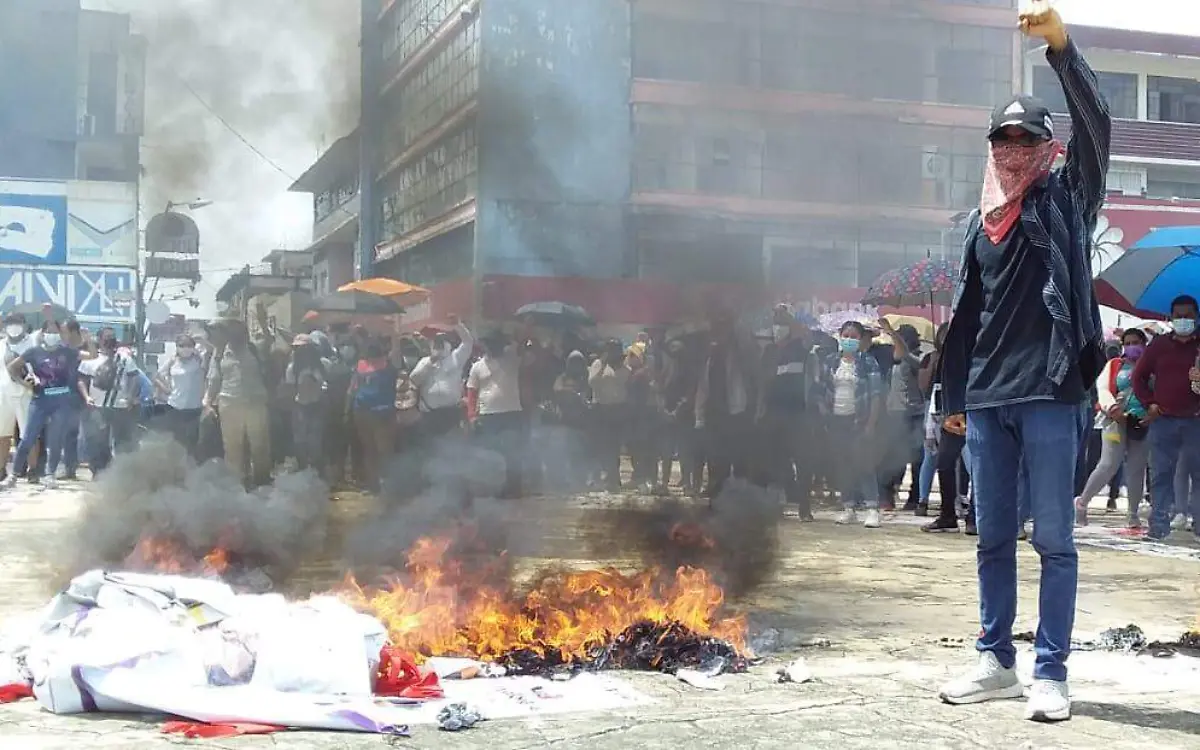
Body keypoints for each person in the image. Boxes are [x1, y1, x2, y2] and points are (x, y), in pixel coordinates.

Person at [936, 4, 1109, 723]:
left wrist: (1062, 49)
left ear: (1046, 147)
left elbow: (1097, 126)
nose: (1014, 150)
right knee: (993, 538)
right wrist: (953, 392)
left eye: (1027, 138)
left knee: (1055, 541)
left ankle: (1051, 673)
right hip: (985, 400)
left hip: (1048, 392)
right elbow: (970, 316)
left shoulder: (1065, 201)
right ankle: (994, 660)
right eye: (1003, 139)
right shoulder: (977, 222)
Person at [1131, 294, 1200, 542]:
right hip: (1163, 420)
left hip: (1195, 420)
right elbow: (1137, 378)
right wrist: (1149, 404)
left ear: (1196, 317)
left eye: (1188, 315)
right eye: (1178, 315)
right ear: (1170, 318)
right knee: (1161, 474)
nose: (1183, 320)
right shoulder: (1159, 345)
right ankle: (1158, 527)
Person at [1075, 329, 1151, 529]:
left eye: (1136, 342)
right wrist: (1113, 408)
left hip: (1142, 422)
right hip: (1115, 421)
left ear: (1144, 344)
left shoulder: (1153, 366)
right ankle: (1082, 503)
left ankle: (1133, 515)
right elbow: (1103, 389)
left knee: (1137, 469)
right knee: (1108, 464)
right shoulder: (1115, 365)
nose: (1132, 346)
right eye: (1128, 343)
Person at [815, 321, 884, 528]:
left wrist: (871, 423)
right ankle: (848, 508)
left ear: (861, 339)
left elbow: (875, 395)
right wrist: (823, 415)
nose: (849, 340)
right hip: (836, 420)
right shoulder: (829, 361)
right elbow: (820, 390)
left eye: (854, 337)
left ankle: (872, 509)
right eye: (846, 335)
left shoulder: (868, 362)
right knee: (843, 465)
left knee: (863, 463)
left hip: (859, 419)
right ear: (839, 336)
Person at [7, 320, 87, 489]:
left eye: (55, 332)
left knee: (55, 439)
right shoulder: (34, 352)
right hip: (40, 400)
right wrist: (24, 383)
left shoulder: (67, 352)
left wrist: (89, 340)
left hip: (61, 400)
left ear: (60, 334)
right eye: (49, 332)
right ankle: (13, 475)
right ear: (42, 334)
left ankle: (50, 475)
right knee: (27, 438)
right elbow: (12, 367)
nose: (52, 335)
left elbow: (92, 356)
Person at [760, 304, 817, 520]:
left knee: (803, 461)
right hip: (773, 414)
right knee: (775, 460)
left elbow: (807, 337)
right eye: (776, 324)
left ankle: (805, 506)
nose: (778, 328)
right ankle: (777, 504)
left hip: (798, 414)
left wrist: (789, 318)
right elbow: (762, 383)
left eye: (781, 324)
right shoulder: (769, 351)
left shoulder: (799, 347)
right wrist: (761, 409)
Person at [695, 310, 758, 498]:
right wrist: (699, 416)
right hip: (715, 415)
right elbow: (703, 387)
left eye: (723, 331)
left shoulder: (740, 355)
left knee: (739, 460)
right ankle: (717, 498)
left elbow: (748, 351)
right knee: (716, 460)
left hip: (737, 413)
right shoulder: (710, 359)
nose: (719, 336)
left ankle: (740, 499)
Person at [204, 319, 272, 487]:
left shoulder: (254, 349)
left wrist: (263, 322)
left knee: (260, 446)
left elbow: (269, 340)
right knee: (233, 448)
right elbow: (213, 381)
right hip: (229, 404)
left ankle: (262, 481)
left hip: (255, 403)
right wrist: (207, 403)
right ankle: (236, 483)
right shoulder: (219, 354)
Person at [467, 331, 525, 497]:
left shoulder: (512, 360)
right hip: (488, 415)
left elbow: (522, 344)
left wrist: (527, 327)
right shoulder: (477, 366)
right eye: (490, 344)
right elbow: (472, 391)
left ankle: (514, 489)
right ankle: (491, 488)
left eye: (497, 343)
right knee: (490, 453)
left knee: (512, 453)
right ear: (485, 346)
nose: (493, 347)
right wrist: (471, 416)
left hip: (511, 413)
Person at [878, 319, 926, 511]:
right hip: (895, 415)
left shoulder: (918, 360)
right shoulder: (894, 362)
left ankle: (915, 497)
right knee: (894, 457)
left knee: (916, 459)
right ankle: (887, 495)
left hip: (914, 414)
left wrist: (891, 332)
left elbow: (905, 353)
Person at [408, 316, 473, 444]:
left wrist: (458, 325)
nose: (441, 345)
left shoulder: (456, 358)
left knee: (454, 447)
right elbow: (414, 379)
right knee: (430, 449)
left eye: (443, 342)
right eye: (437, 343)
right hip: (430, 414)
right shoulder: (425, 361)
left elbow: (468, 342)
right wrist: (432, 361)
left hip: (451, 413)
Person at [346, 338, 397, 492]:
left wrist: (347, 409)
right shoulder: (370, 366)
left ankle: (382, 484)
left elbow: (351, 390)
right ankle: (377, 484)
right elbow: (352, 389)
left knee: (378, 450)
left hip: (376, 412)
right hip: (369, 412)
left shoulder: (384, 365)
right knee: (375, 450)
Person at [588, 339, 631, 491]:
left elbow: (628, 384)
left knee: (614, 445)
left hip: (618, 409)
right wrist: (604, 365)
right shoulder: (598, 364)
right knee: (601, 445)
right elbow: (592, 382)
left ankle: (614, 477)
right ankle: (599, 476)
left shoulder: (625, 367)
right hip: (600, 409)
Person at [155, 335, 207, 455]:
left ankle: (190, 467)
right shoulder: (172, 360)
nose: (185, 349)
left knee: (192, 441)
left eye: (189, 346)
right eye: (182, 346)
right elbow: (157, 376)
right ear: (177, 347)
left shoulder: (199, 359)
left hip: (194, 407)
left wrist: (201, 340)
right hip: (175, 406)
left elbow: (211, 350)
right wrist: (166, 389)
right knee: (176, 440)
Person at [0, 313, 35, 482]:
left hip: (25, 394)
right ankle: (1, 470)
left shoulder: (32, 343)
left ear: (23, 324)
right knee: (2, 434)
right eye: (10, 323)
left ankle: (33, 470)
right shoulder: (1, 344)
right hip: (3, 395)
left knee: (29, 435)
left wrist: (33, 382)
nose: (13, 326)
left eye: (17, 322)